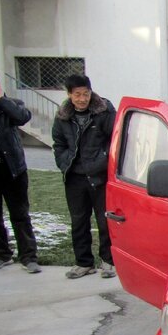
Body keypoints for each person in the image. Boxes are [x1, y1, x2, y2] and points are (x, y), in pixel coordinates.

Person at [52, 75, 117, 279]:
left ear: (91, 92)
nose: (82, 99)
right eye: (77, 94)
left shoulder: (104, 111)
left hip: (100, 176)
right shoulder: (63, 116)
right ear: (69, 95)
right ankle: (83, 263)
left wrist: (104, 160)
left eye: (86, 94)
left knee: (104, 220)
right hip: (75, 177)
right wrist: (64, 163)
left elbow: (116, 138)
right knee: (79, 221)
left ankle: (108, 261)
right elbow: (59, 144)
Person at [0, 66, 41, 273]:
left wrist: (2, 100)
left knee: (20, 214)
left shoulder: (12, 104)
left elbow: (22, 117)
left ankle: (29, 257)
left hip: (13, 169)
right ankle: (1, 253)